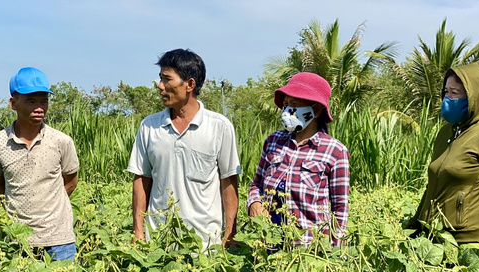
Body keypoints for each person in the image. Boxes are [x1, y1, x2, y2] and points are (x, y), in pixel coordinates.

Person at [127, 48, 241, 249]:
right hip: (159, 243)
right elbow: (141, 180)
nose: (160, 86)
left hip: (206, 244)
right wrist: (138, 231)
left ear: (189, 84)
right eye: (160, 78)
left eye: (167, 79)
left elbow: (228, 183)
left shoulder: (219, 127)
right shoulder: (149, 126)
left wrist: (229, 235)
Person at [408, 62, 479, 243]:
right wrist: (414, 226)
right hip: (434, 238)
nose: (447, 98)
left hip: (469, 241)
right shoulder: (446, 132)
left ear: (475, 97)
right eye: (446, 92)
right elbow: (433, 186)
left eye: (455, 93)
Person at [0, 67, 79, 261]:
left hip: (59, 239)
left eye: (43, 101)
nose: (39, 107)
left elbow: (70, 181)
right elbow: (0, 189)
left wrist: (49, 208)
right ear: (13, 103)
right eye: (31, 101)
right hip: (18, 239)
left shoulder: (61, 141)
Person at [247, 72, 350, 247]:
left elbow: (340, 208)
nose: (287, 110)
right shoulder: (273, 142)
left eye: (294, 104)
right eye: (285, 104)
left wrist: (336, 253)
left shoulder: (334, 151)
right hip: (268, 246)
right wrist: (254, 202)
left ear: (316, 110)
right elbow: (257, 183)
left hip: (309, 251)